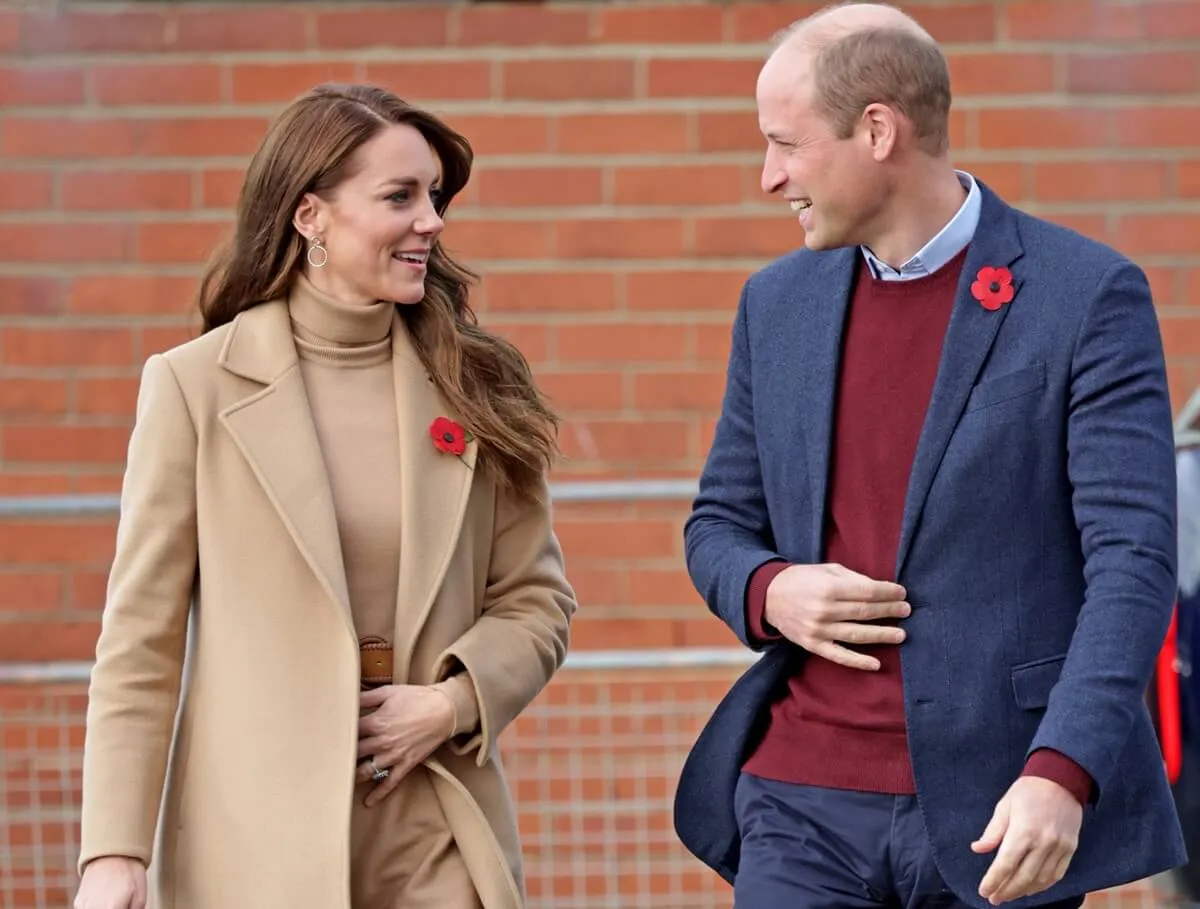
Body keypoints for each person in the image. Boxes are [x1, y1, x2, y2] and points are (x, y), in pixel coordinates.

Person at [674, 3, 1186, 907]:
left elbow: (1133, 562)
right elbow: (718, 522)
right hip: (799, 800)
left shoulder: (1085, 296)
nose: (769, 176)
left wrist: (1063, 768)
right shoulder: (775, 304)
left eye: (786, 143)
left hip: (1002, 810)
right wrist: (770, 590)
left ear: (877, 129)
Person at [73, 83, 577, 909]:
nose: (433, 221)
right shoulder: (193, 388)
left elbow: (535, 598)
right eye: (399, 196)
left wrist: (452, 702)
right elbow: (140, 643)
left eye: (435, 196)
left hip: (433, 830)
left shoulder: (476, 385)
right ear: (310, 215)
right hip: (255, 847)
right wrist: (113, 853)